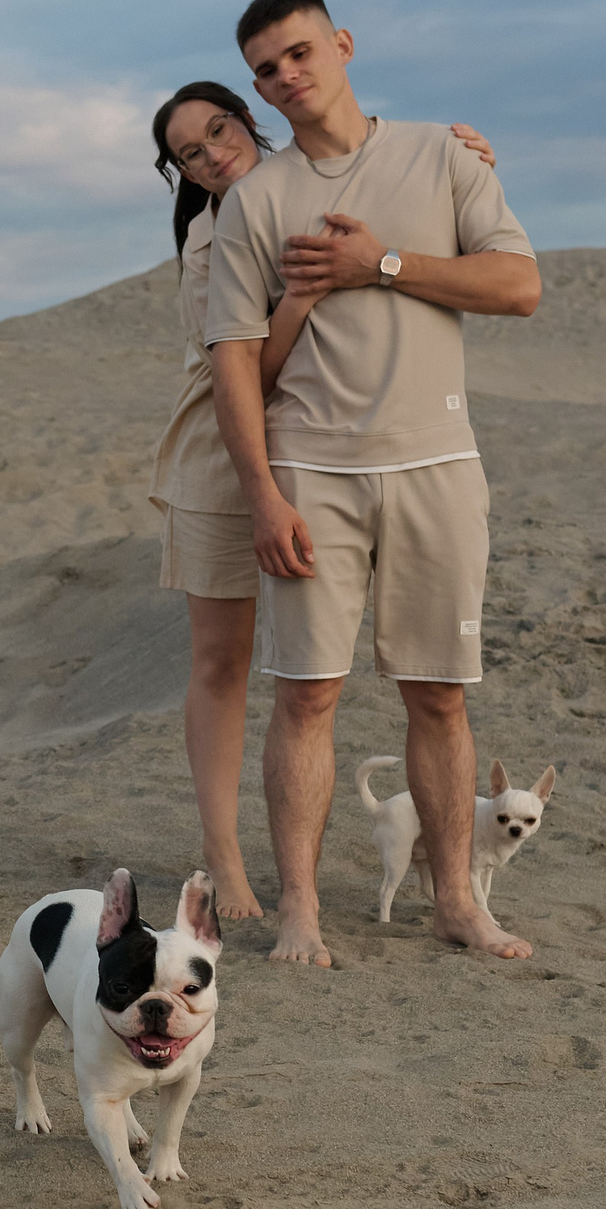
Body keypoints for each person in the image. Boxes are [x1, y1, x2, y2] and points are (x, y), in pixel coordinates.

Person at [203, 0, 542, 966]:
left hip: (437, 466)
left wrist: (382, 264)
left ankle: (454, 903)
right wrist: (263, 494)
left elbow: (517, 286)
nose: (286, 78)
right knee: (307, 694)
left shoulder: (441, 154)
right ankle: (301, 908)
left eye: (300, 53)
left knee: (438, 694)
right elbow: (232, 358)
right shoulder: (256, 203)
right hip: (311, 472)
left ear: (342, 45)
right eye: (266, 69)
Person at [148, 81, 494, 925]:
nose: (210, 154)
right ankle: (226, 863)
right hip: (226, 448)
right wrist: (301, 297)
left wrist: (470, 164)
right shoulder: (209, 234)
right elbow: (246, 366)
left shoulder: (309, 184)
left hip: (327, 445)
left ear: (247, 118)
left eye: (218, 130)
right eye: (188, 153)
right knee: (225, 659)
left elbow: (402, 201)